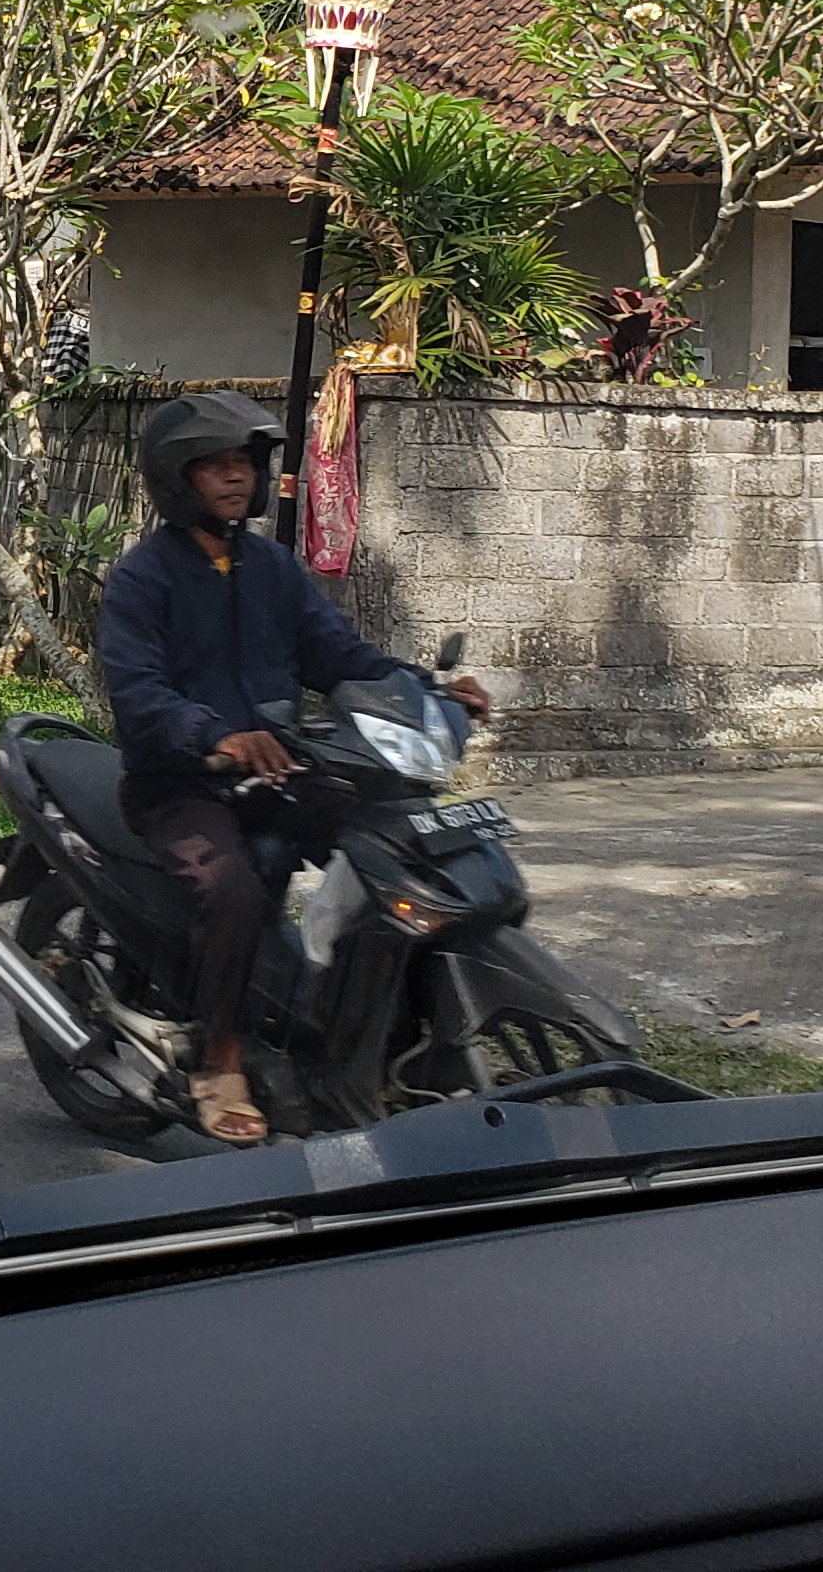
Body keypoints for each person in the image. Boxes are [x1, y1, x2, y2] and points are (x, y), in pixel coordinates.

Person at [96, 391, 493, 1146]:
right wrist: (219, 735)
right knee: (237, 891)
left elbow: (341, 655)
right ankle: (218, 1060)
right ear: (177, 478)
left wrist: (426, 688)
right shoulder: (142, 579)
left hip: (278, 768)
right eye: (215, 466)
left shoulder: (271, 566)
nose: (235, 478)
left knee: (389, 841)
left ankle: (370, 1026)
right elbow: (139, 694)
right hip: (179, 782)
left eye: (243, 463)